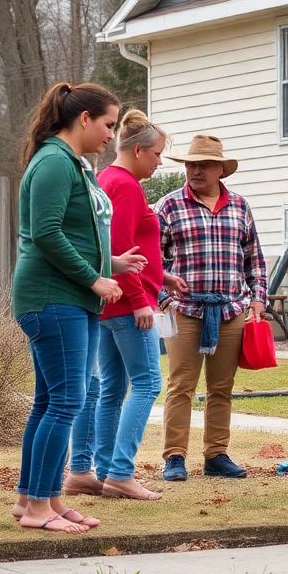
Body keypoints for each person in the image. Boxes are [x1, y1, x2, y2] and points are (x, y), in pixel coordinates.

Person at [11, 82, 147, 534]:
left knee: (51, 401)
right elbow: (46, 234)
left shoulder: (74, 164)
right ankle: (36, 509)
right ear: (84, 119)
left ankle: (40, 498)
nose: (112, 134)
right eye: (108, 124)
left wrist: (112, 263)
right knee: (68, 400)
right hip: (54, 298)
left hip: (69, 297)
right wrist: (94, 278)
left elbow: (76, 234)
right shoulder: (53, 162)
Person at [156, 134, 268, 482]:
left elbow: (254, 260)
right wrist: (164, 299)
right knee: (180, 386)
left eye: (203, 164)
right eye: (191, 164)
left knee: (222, 387)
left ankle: (216, 454)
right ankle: (175, 456)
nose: (195, 170)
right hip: (184, 311)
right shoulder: (168, 206)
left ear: (220, 169)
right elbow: (150, 261)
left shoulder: (240, 207)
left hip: (231, 311)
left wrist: (258, 299)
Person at [91, 109, 171, 499]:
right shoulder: (123, 184)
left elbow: (131, 247)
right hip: (126, 305)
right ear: (138, 150)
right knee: (147, 384)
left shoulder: (108, 179)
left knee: (112, 388)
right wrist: (141, 300)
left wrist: (162, 276)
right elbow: (117, 250)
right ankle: (122, 472)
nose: (159, 163)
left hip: (113, 302)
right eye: (157, 155)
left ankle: (103, 471)